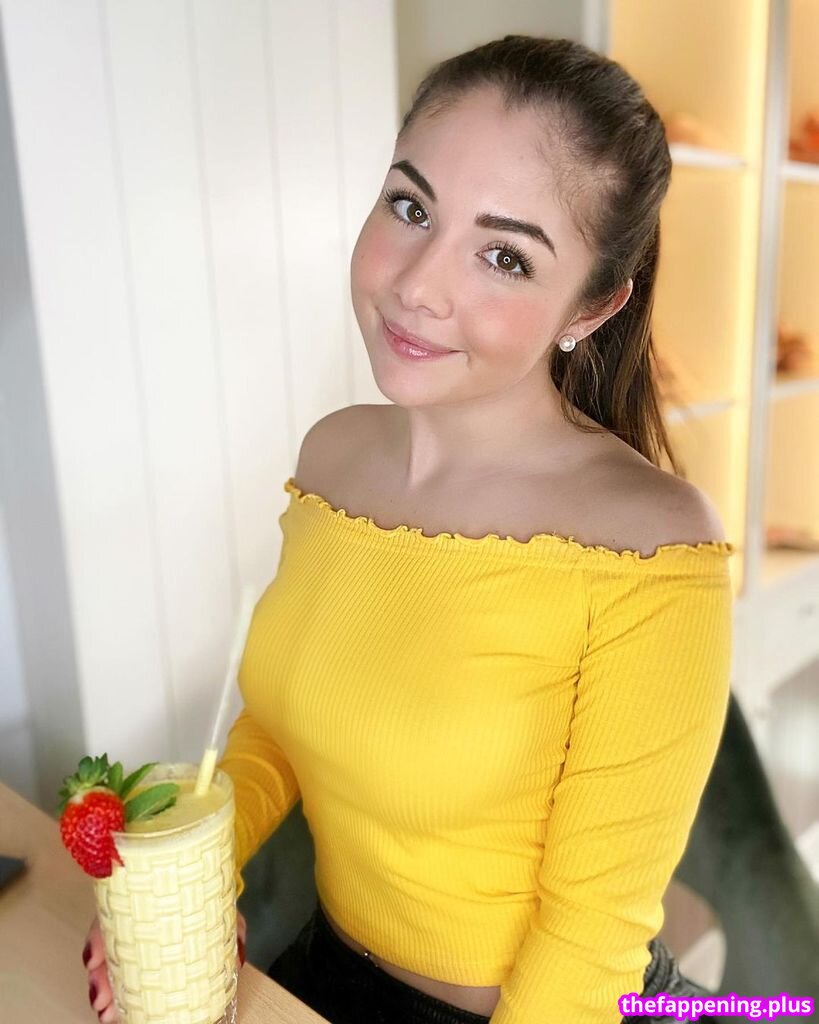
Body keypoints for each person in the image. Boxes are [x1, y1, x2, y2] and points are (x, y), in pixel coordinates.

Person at [81, 34, 735, 1024]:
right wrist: (183, 874)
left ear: (592, 305)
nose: (418, 283)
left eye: (505, 255)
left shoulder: (649, 550)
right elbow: (284, 726)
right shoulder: (334, 456)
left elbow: (589, 940)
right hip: (330, 972)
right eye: (411, 206)